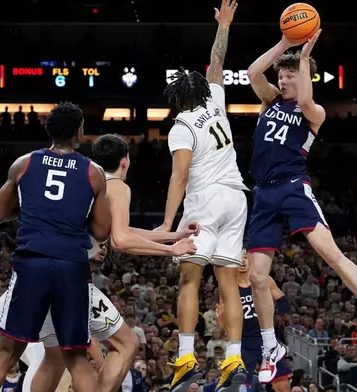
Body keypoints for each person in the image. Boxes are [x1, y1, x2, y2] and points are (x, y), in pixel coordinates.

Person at [245, 30, 357, 383]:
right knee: (256, 276)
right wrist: (286, 45)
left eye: (291, 76)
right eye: (282, 76)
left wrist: (303, 60)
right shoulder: (269, 101)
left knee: (329, 254)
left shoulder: (314, 112)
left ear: (305, 80)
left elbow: (305, 103)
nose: (283, 80)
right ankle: (271, 348)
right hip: (262, 194)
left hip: (292, 188)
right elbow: (254, 72)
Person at [0, 102, 112, 392]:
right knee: (75, 355)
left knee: (7, 351)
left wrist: (32, 210)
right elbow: (102, 231)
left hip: (32, 262)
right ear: (79, 132)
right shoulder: (94, 172)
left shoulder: (24, 163)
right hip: (71, 265)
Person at [158, 1, 248, 392]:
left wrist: (166, 224)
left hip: (205, 201)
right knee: (229, 281)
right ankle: (233, 357)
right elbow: (217, 60)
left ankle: (186, 357)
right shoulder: (216, 100)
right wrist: (224, 25)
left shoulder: (181, 125)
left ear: (178, 99)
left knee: (190, 280)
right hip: (238, 198)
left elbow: (179, 177)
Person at [215, 253, 291, 392]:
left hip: (266, 339)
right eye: (238, 257)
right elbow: (220, 323)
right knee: (240, 386)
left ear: (250, 259)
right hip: (244, 341)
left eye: (245, 257)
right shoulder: (228, 287)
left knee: (282, 385)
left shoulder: (264, 280)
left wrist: (278, 314)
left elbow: (283, 302)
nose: (242, 261)